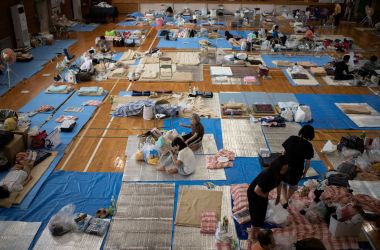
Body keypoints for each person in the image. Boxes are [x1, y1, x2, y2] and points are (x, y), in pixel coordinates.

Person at [247, 155, 289, 240]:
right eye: (283, 168)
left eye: (286, 168)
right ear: (277, 167)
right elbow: (256, 190)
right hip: (255, 194)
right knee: (257, 215)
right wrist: (265, 196)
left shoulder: (281, 173)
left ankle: (257, 230)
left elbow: (279, 183)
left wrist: (278, 195)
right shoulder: (267, 174)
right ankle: (252, 236)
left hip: (264, 193)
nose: (285, 170)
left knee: (262, 214)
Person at [281, 125, 315, 208]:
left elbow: (283, 153)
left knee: (283, 183)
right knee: (292, 186)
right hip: (296, 170)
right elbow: (307, 162)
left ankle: (284, 200)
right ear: (311, 136)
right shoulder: (309, 146)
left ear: (301, 132)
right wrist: (305, 172)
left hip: (284, 167)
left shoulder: (292, 138)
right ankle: (286, 200)